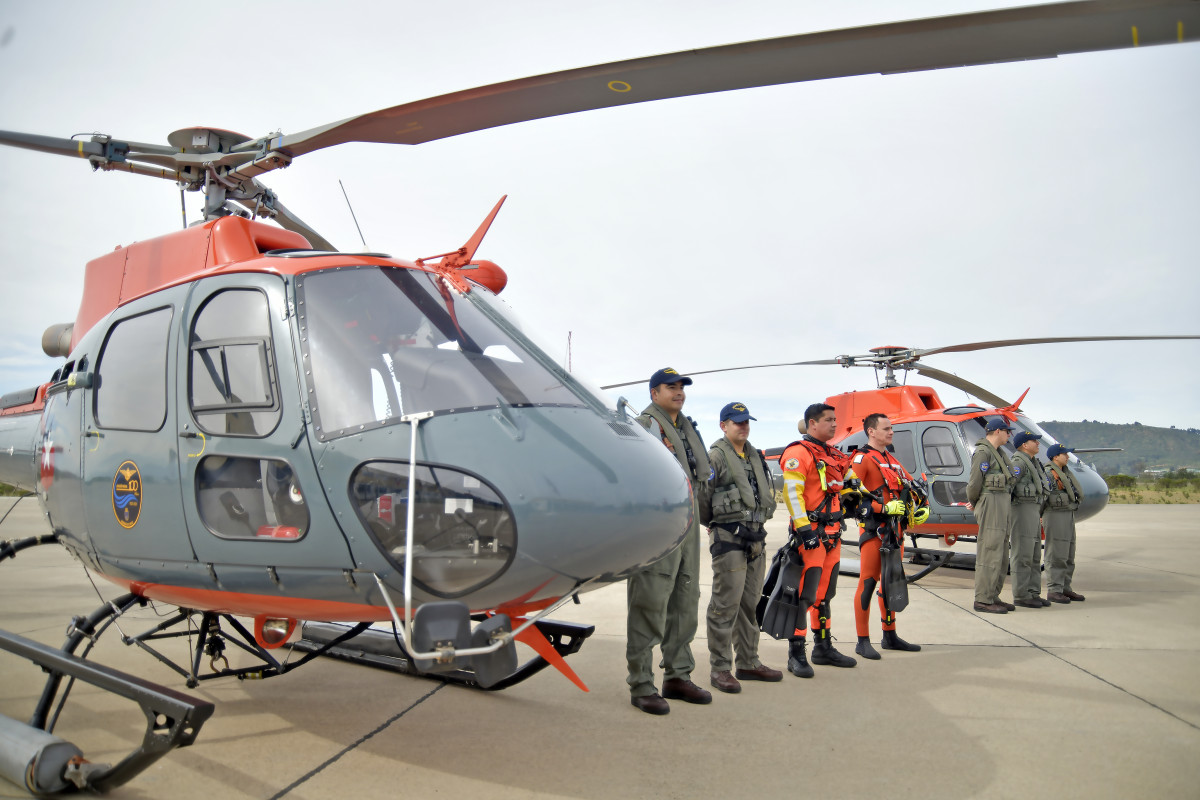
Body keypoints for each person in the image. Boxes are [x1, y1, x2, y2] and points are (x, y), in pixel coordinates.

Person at [626, 367, 713, 715]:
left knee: (685, 601)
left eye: (681, 387)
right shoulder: (646, 425)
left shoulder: (685, 426)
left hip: (687, 525)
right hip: (658, 526)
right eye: (670, 387)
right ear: (654, 393)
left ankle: (678, 675)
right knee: (650, 603)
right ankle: (641, 684)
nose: (678, 392)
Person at [704, 402, 782, 694]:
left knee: (750, 605)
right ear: (724, 425)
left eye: (746, 421)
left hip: (755, 541)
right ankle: (720, 668)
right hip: (729, 541)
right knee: (725, 606)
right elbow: (703, 498)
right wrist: (714, 525)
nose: (743, 426)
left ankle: (748, 662)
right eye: (737, 422)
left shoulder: (754, 456)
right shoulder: (716, 457)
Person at [778, 403, 858, 677]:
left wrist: (858, 495)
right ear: (812, 423)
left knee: (825, 595)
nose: (835, 425)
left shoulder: (833, 454)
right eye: (829, 420)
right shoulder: (798, 453)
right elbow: (792, 493)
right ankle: (796, 652)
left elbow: (849, 481)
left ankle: (822, 647)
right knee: (805, 595)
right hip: (811, 537)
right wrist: (805, 531)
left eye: (836, 420)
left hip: (833, 535)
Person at [850, 413, 927, 659]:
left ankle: (890, 635)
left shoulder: (891, 460)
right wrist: (883, 509)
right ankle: (862, 641)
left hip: (896, 531)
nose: (891, 432)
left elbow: (910, 486)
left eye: (891, 428)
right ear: (871, 431)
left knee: (890, 582)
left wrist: (919, 506)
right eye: (886, 428)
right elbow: (851, 498)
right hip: (874, 531)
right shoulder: (862, 459)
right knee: (868, 582)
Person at [966, 418, 1017, 614]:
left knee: (1001, 552)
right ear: (997, 431)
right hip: (991, 503)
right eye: (1006, 431)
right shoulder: (983, 452)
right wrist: (978, 502)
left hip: (1001, 503)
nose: (1008, 435)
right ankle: (983, 599)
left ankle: (993, 595)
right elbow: (974, 484)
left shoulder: (999, 453)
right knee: (990, 551)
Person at [1009, 431, 1050, 608]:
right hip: (1022, 509)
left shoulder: (1033, 462)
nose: (1038, 444)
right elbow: (1009, 486)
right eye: (1035, 441)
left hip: (1033, 509)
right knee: (1022, 554)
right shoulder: (1018, 462)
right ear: (1025, 445)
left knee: (1034, 554)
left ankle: (1033, 592)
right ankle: (1020, 594)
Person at [1044, 443, 1086, 604]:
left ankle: (1065, 587)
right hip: (1054, 514)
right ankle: (1054, 589)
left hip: (1067, 513)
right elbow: (1043, 496)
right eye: (1065, 454)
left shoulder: (1064, 473)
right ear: (1056, 456)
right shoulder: (1048, 473)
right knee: (1056, 553)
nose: (1067, 457)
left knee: (1068, 553)